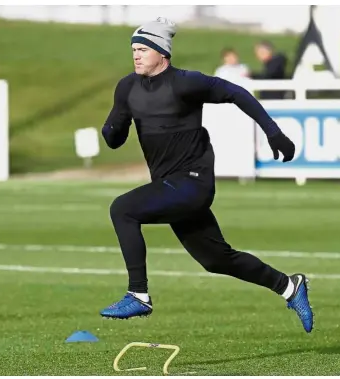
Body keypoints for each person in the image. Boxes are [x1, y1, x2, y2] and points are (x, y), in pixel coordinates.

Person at [99, 17, 313, 333]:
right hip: (168, 186)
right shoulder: (127, 87)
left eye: (143, 48)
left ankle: (138, 294)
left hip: (192, 182)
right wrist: (112, 129)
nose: (136, 54)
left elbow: (237, 93)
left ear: (162, 52)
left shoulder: (186, 82)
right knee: (216, 260)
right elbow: (114, 138)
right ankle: (290, 286)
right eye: (134, 49)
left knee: (122, 208)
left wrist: (273, 132)